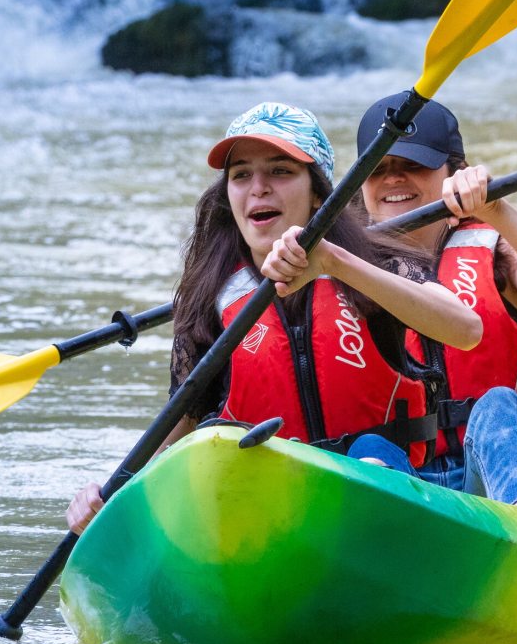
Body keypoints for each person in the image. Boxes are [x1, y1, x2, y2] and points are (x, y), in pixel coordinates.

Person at [65, 102, 480, 535]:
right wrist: (107, 502)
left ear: (318, 191)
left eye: (280, 171)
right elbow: (177, 434)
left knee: (372, 452)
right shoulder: (210, 298)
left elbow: (466, 330)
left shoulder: (373, 263)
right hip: (270, 508)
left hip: (382, 494)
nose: (258, 188)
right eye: (241, 175)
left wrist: (335, 262)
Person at [355, 93, 517, 515]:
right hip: (412, 488)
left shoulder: (498, 248)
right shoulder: (344, 267)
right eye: (377, 168)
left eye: (413, 164)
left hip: (503, 482)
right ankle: (376, 538)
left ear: (455, 172)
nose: (393, 179)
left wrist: (498, 209)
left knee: (498, 407)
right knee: (369, 447)